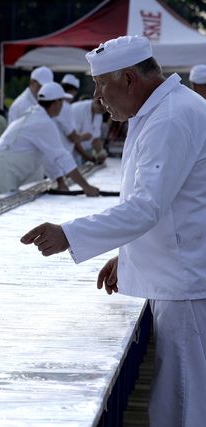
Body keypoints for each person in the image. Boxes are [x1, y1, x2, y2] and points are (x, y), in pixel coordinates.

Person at [21, 35, 206, 427]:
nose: (97, 97)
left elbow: (146, 206)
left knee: (186, 397)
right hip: (180, 272)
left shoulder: (170, 117)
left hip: (187, 279)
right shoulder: (163, 110)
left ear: (128, 80)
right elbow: (169, 202)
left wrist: (69, 233)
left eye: (101, 85)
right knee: (177, 393)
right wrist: (127, 255)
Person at [0, 82, 99, 202]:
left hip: (3, 172)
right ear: (56, 103)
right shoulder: (43, 122)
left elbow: (47, 156)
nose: (63, 105)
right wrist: (86, 187)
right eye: (62, 101)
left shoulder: (38, 115)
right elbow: (62, 156)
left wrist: (60, 182)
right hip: (0, 173)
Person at [70, 98, 107, 163]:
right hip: (70, 152)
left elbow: (95, 139)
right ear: (96, 101)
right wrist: (88, 157)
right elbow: (73, 138)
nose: (102, 112)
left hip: (82, 154)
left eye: (104, 111)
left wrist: (101, 153)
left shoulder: (99, 114)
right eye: (101, 109)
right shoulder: (77, 109)